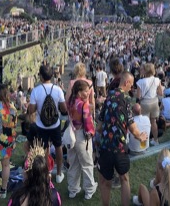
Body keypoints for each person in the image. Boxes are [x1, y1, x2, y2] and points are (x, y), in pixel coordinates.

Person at [96, 72, 148, 206]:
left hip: (106, 147)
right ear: (126, 83)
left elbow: (100, 126)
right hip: (120, 147)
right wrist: (140, 136)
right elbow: (132, 127)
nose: (132, 88)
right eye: (131, 85)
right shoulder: (126, 100)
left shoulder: (108, 98)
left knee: (104, 181)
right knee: (124, 179)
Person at [27, 64, 68, 184]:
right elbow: (64, 109)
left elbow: (31, 110)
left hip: (41, 125)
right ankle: (59, 173)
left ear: (40, 76)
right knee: (58, 146)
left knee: (43, 149)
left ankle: (46, 172)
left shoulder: (36, 90)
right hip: (55, 124)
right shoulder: (58, 89)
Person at [65, 80, 97, 199]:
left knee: (73, 163)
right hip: (82, 136)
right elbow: (88, 123)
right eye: (86, 91)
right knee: (87, 163)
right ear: (79, 92)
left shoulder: (70, 102)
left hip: (71, 134)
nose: (88, 93)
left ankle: (73, 189)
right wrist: (92, 132)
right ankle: (89, 190)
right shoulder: (84, 105)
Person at [8, 139, 62, 206]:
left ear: (27, 175)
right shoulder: (54, 196)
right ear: (45, 173)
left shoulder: (17, 198)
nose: (22, 172)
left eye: (23, 169)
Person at [136, 63, 163, 146]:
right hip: (154, 102)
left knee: (145, 123)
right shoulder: (157, 80)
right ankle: (156, 140)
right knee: (154, 122)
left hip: (145, 103)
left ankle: (145, 143)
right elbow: (160, 93)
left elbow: (138, 96)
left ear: (146, 70)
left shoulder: (140, 82)